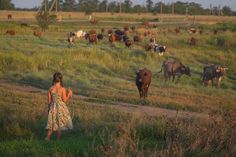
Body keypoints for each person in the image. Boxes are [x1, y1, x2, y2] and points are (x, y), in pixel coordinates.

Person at [45, 72, 73, 141]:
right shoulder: (62, 89)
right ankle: (58, 141)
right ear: (61, 79)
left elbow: (49, 101)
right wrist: (69, 94)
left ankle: (47, 138)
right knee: (60, 125)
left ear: (53, 79)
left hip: (53, 107)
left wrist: (49, 109)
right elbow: (64, 100)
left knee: (51, 124)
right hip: (61, 108)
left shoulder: (50, 88)